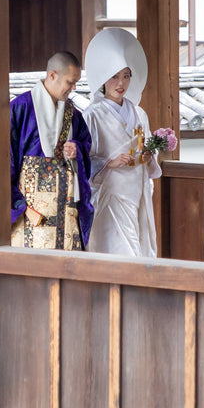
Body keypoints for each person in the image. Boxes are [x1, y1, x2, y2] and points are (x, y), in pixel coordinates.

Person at [82, 28, 162, 257]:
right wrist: (109, 162)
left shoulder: (139, 114)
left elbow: (147, 154)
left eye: (126, 75)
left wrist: (148, 157)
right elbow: (83, 159)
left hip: (136, 189)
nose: (121, 83)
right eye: (114, 76)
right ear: (102, 79)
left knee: (137, 241)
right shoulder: (92, 115)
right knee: (122, 251)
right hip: (111, 192)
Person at [9, 51, 93, 249]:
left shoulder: (73, 115)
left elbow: (86, 146)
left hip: (66, 210)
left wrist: (77, 151)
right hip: (30, 212)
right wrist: (18, 206)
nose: (73, 88)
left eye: (75, 83)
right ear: (52, 75)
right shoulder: (19, 109)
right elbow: (6, 162)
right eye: (70, 82)